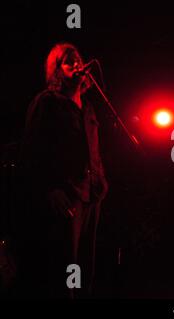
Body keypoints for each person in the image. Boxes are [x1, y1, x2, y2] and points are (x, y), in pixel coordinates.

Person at [15, 42, 108, 298]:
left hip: (92, 195)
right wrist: (49, 189)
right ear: (57, 70)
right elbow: (31, 152)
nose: (77, 65)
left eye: (78, 59)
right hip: (67, 196)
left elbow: (93, 149)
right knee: (64, 271)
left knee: (85, 269)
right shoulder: (46, 103)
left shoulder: (88, 107)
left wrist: (101, 179)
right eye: (68, 61)